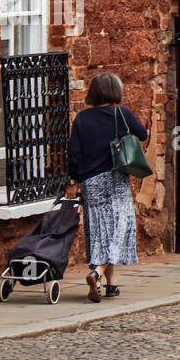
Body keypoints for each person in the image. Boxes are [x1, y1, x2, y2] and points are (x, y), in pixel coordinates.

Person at [68, 72, 149, 302]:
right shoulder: (121, 113)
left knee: (99, 230)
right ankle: (98, 273)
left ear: (93, 92)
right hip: (115, 178)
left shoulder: (82, 119)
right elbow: (142, 134)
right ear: (116, 91)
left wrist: (73, 181)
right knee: (120, 228)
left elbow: (74, 154)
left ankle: (111, 285)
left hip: (90, 181)